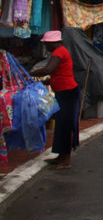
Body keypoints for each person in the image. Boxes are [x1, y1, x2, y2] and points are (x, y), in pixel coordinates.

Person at [29, 30, 79, 170]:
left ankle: (66, 160)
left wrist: (28, 74)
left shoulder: (58, 52)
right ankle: (61, 156)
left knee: (66, 125)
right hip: (63, 92)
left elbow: (47, 70)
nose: (45, 47)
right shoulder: (60, 52)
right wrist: (43, 83)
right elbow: (58, 75)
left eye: (46, 44)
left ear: (52, 43)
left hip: (67, 93)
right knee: (62, 125)